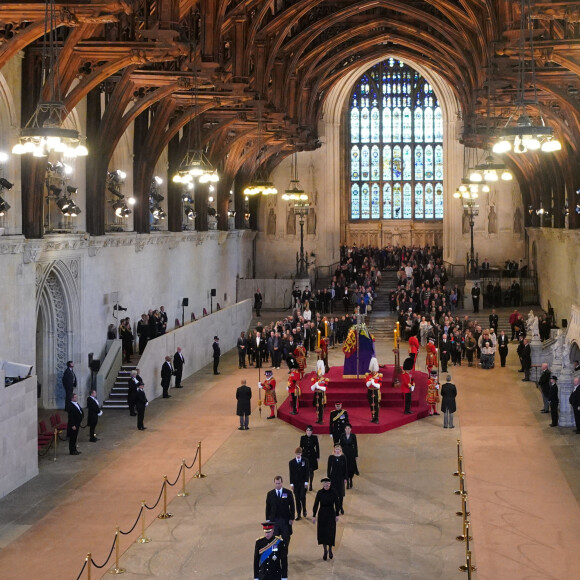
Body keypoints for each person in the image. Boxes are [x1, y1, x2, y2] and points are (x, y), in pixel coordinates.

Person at [312, 477, 340, 561]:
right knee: (323, 532)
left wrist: (337, 514)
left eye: (328, 484)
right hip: (322, 513)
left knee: (331, 532)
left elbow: (337, 503)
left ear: (330, 484)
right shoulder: (320, 493)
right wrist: (314, 515)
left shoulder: (334, 492)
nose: (326, 486)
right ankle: (325, 550)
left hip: (331, 512)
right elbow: (316, 504)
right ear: (323, 485)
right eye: (325, 484)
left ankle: (330, 549)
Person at [265, 476, 295, 549]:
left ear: (282, 483)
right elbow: (268, 508)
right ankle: (276, 555)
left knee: (286, 538)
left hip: (285, 520)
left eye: (279, 483)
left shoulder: (288, 493)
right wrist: (268, 521)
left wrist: (292, 518)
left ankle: (285, 551)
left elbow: (292, 506)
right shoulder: (270, 494)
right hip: (274, 521)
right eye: (276, 483)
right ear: (274, 483)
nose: (277, 485)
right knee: (274, 539)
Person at [289, 447, 310, 520]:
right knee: (297, 499)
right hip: (295, 483)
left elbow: (307, 472)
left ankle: (304, 508)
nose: (298, 455)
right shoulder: (291, 462)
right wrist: (291, 484)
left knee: (302, 496)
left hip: (303, 483)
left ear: (301, 453)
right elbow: (291, 474)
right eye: (297, 454)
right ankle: (298, 514)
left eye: (299, 454)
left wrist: (306, 482)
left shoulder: (305, 461)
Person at [327, 445, 348, 515]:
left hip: (341, 478)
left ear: (340, 450)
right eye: (336, 449)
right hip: (333, 478)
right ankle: (334, 507)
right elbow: (329, 468)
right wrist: (328, 478)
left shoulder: (343, 457)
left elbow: (345, 468)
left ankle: (340, 507)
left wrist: (345, 478)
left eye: (339, 449)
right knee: (333, 493)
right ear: (334, 450)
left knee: (341, 494)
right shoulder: (331, 457)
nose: (337, 450)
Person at [299, 425, 320, 491]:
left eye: (310, 430)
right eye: (307, 430)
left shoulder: (314, 437)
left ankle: (311, 484)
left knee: (311, 471)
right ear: (306, 431)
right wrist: (300, 456)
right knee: (305, 471)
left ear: (312, 431)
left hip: (312, 456)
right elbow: (301, 447)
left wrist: (317, 456)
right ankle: (306, 485)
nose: (308, 432)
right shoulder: (302, 438)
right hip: (305, 456)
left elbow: (317, 447)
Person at [339, 424, 359, 489]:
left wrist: (356, 455)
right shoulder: (342, 435)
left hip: (351, 453)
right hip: (344, 453)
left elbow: (355, 446)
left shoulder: (353, 436)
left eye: (349, 429)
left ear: (351, 429)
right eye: (346, 429)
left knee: (351, 467)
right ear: (344, 429)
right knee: (345, 467)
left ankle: (351, 479)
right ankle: (347, 481)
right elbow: (340, 445)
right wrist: (340, 453)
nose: (347, 430)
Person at [365, 357, 382, 423]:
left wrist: (373, 383)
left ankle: (377, 418)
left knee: (376, 405)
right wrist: (371, 381)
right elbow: (367, 384)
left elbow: (379, 385)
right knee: (371, 405)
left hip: (376, 391)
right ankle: (373, 417)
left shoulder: (379, 376)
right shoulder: (368, 375)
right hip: (370, 391)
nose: (373, 371)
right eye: (372, 370)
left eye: (374, 370)